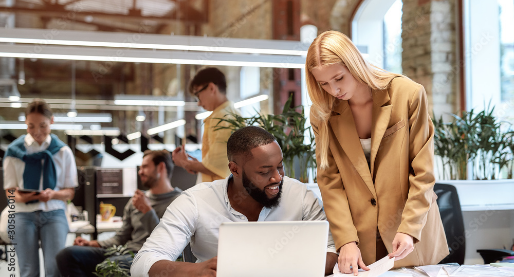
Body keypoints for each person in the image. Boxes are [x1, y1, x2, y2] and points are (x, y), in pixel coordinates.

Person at [305, 30, 449, 274]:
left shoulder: (408, 94)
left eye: (339, 78)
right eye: (324, 83)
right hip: (361, 242)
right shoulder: (322, 113)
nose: (334, 90)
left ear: (355, 64)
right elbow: (329, 181)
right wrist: (346, 240)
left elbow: (422, 173)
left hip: (411, 234)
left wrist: (409, 227)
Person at [131, 126, 338, 277]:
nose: (277, 177)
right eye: (264, 171)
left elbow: (332, 250)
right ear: (235, 169)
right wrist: (196, 270)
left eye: (280, 167)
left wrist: (291, 267)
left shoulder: (299, 195)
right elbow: (143, 262)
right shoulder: (195, 201)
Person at [56, 150, 182, 277]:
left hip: (150, 257)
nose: (140, 171)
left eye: (145, 167)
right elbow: (121, 238)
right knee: (67, 255)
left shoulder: (180, 202)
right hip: (124, 252)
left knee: (112, 265)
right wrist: (93, 243)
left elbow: (168, 241)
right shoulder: (137, 200)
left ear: (160, 167)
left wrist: (147, 211)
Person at [3, 99, 77, 277]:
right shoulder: (14, 152)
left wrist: (53, 194)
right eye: (31, 126)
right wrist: (27, 197)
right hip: (22, 214)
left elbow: (70, 192)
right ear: (25, 124)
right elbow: (10, 192)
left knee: (55, 270)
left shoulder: (63, 151)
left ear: (51, 121)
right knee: (28, 272)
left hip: (54, 213)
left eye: (43, 125)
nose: (37, 132)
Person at [172, 66, 239, 182]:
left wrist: (184, 163)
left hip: (220, 193)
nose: (198, 103)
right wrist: (196, 165)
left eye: (198, 95)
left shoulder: (221, 118)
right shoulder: (234, 114)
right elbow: (218, 165)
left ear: (212, 88)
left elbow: (216, 167)